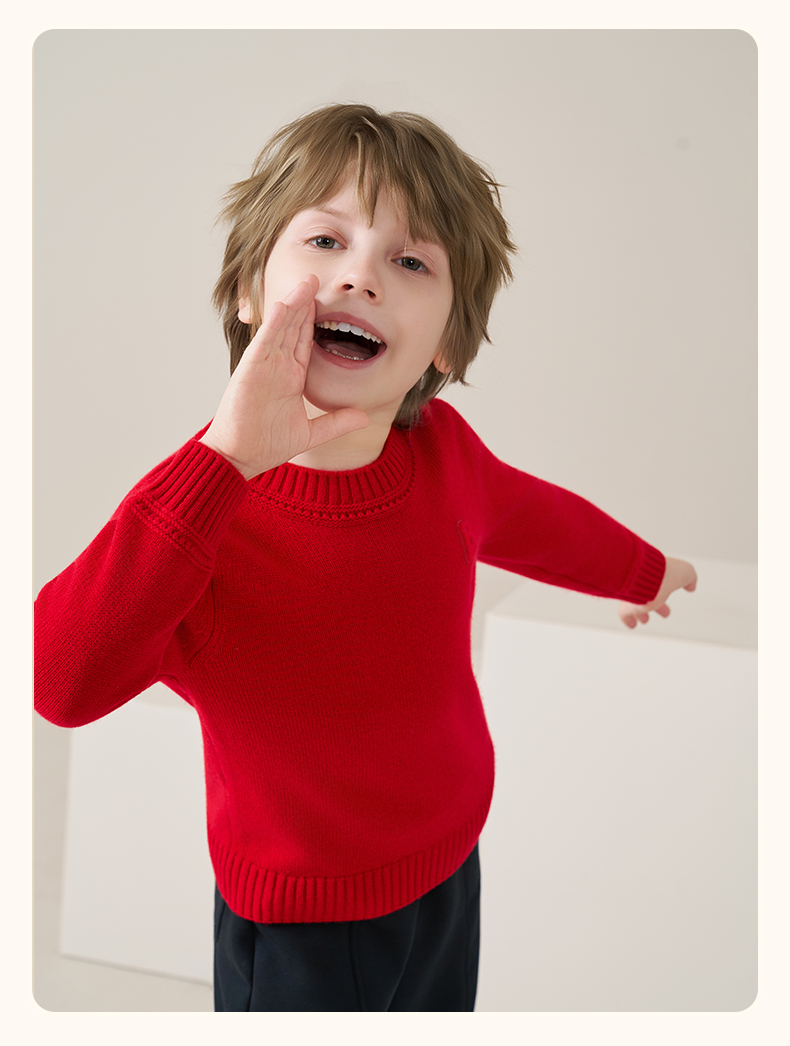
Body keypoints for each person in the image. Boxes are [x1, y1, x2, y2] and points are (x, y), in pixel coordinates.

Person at [34, 103, 697, 1012]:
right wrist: (221, 464)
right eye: (325, 240)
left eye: (410, 261)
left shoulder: (446, 454)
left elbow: (535, 517)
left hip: (449, 862)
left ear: (449, 343)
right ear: (247, 289)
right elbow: (60, 679)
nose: (361, 276)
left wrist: (643, 571)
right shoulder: (198, 512)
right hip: (303, 924)